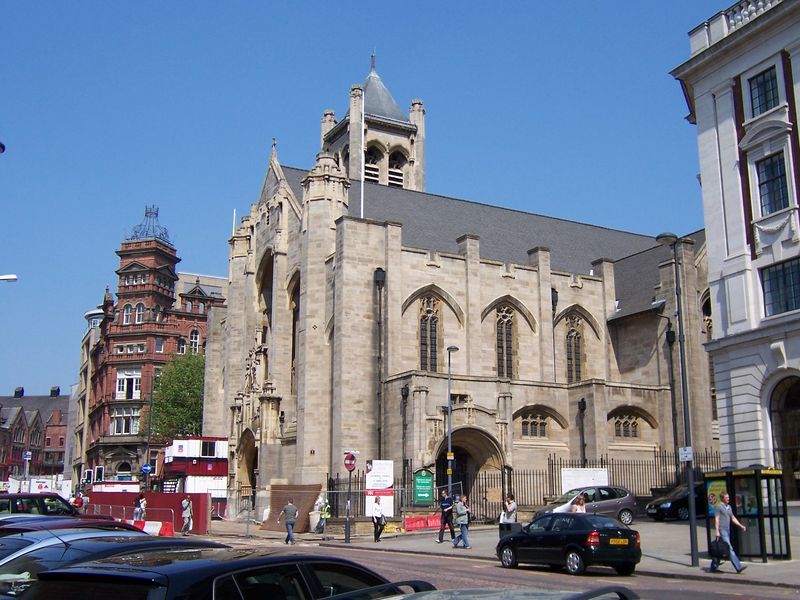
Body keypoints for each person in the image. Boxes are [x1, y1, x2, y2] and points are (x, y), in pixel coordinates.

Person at [710, 492, 747, 574]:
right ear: (722, 498)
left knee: (721, 549)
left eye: (728, 497)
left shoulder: (729, 507)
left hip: (727, 530)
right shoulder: (719, 507)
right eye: (726, 497)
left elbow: (732, 517)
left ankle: (713, 566)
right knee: (729, 548)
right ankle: (738, 567)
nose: (728, 499)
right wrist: (717, 531)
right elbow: (716, 519)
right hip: (722, 530)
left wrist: (741, 525)